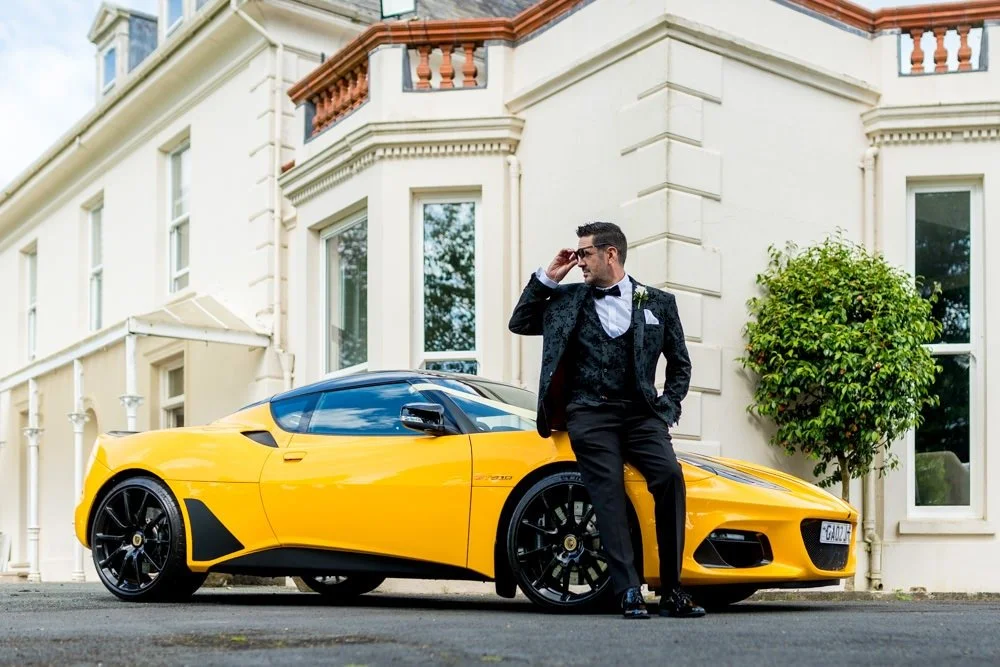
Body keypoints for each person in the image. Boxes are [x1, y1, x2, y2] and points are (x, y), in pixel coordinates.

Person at [508, 221, 705, 619]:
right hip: (589, 412)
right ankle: (628, 590)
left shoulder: (659, 303)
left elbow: (680, 364)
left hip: (641, 415)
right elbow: (520, 321)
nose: (578, 261)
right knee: (608, 491)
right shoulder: (565, 300)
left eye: (584, 254)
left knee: (669, 477)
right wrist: (549, 276)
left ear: (610, 253)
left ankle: (672, 590)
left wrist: (667, 408)